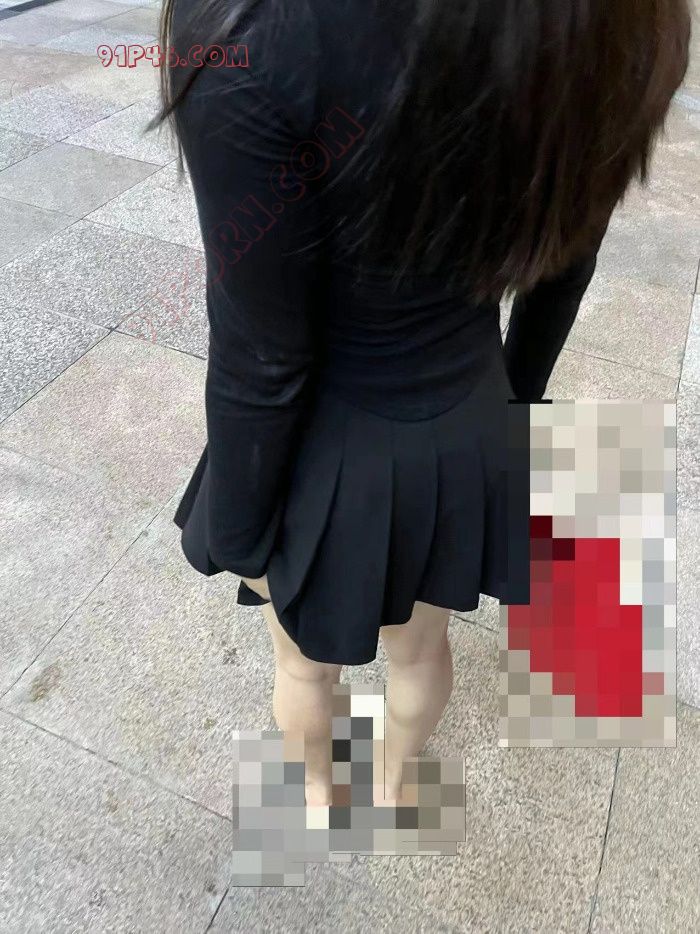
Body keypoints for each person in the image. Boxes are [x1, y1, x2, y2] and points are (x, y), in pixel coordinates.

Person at [152, 0, 690, 806]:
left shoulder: (251, 29)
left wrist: (239, 530)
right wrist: (514, 412)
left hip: (318, 445)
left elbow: (263, 353)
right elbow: (564, 261)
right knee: (422, 653)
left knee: (303, 667)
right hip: (466, 415)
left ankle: (321, 797)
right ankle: (397, 782)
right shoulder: (613, 16)